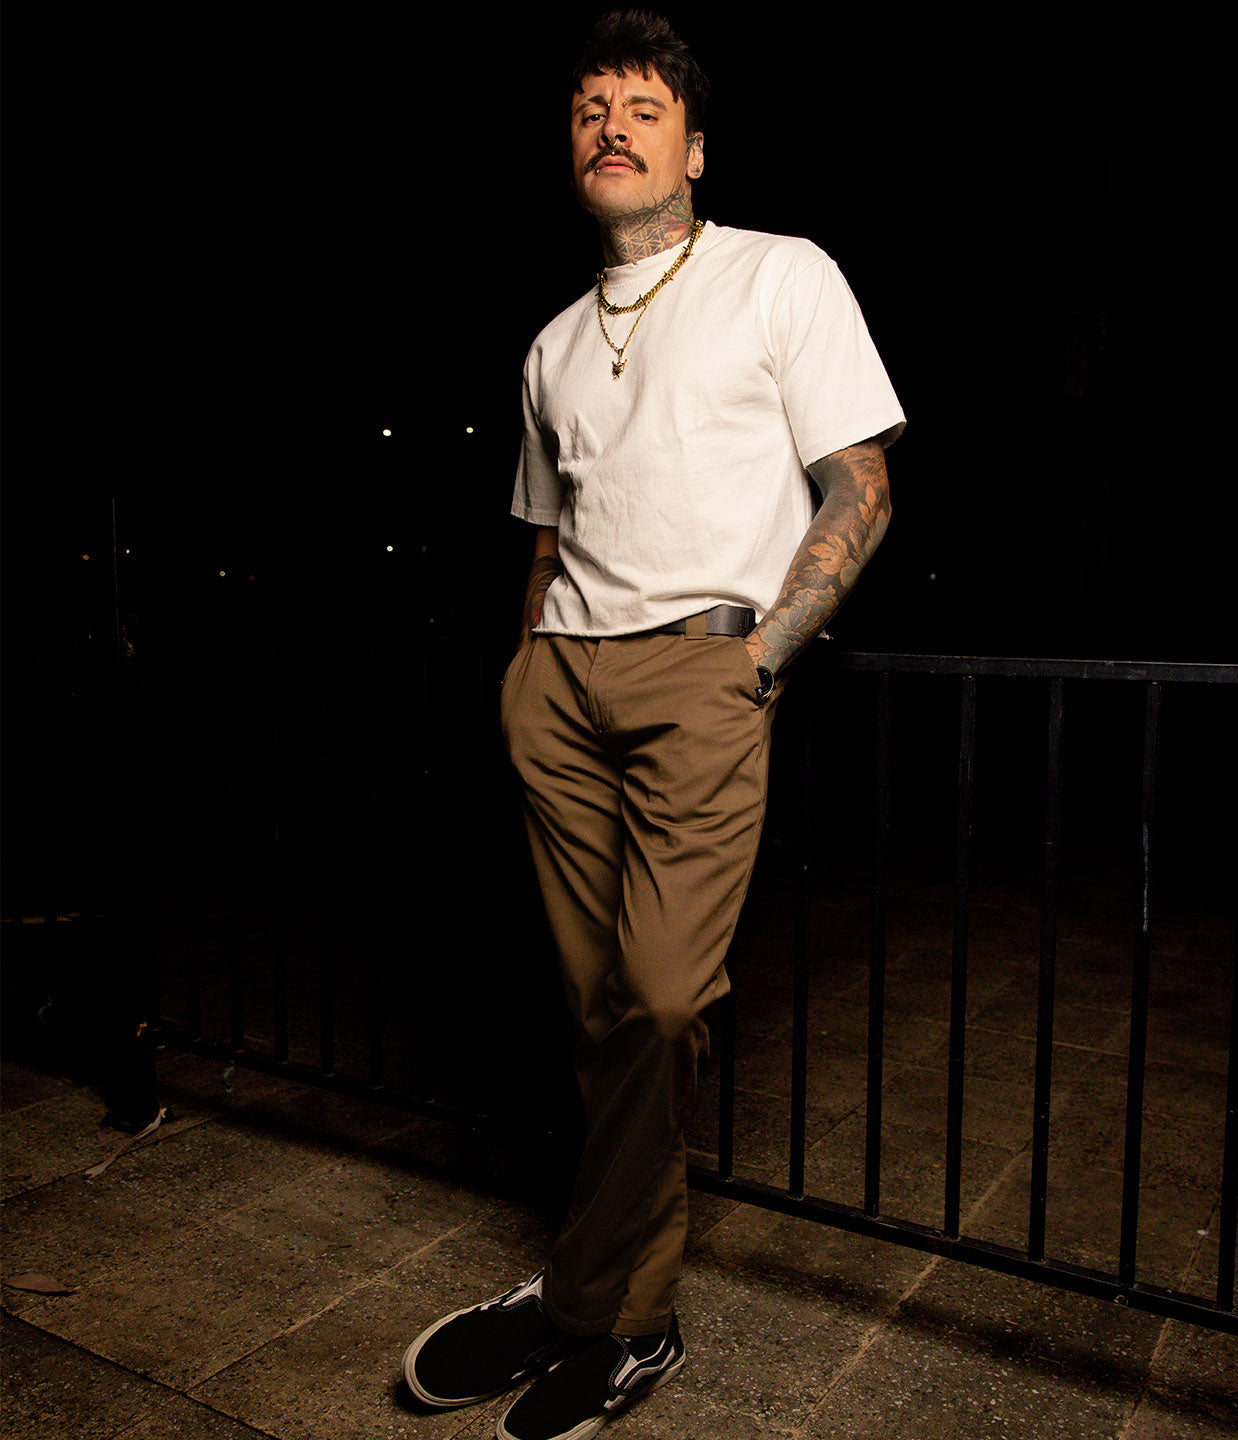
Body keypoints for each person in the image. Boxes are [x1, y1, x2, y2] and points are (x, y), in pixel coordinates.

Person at [402, 10, 904, 1438]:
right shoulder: (552, 345)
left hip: (705, 672)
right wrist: (526, 674)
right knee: (602, 1013)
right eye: (587, 109)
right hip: (560, 686)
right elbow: (547, 535)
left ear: (693, 147)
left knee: (665, 996)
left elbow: (861, 487)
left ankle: (583, 1297)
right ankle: (629, 1319)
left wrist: (761, 661)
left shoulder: (779, 274)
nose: (610, 126)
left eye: (641, 107)